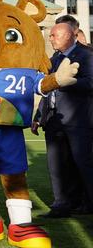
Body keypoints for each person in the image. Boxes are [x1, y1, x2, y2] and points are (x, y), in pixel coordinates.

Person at [32, 22, 93, 217]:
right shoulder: (55, 58)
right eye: (50, 35)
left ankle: (88, 203)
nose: (51, 39)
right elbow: (48, 88)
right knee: (56, 165)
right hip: (53, 120)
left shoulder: (86, 56)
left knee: (82, 163)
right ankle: (61, 204)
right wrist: (39, 116)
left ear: (69, 36)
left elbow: (90, 83)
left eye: (54, 35)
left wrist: (67, 82)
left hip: (78, 120)